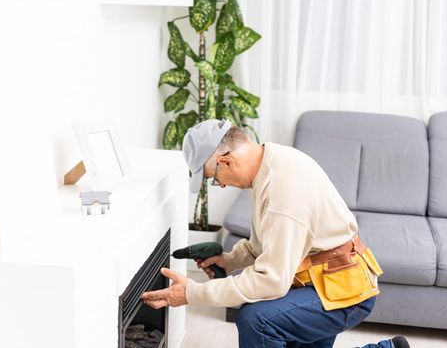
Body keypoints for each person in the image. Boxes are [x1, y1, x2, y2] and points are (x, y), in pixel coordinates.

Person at [142, 119, 410, 348]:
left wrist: (194, 293)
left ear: (226, 162)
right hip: (317, 279)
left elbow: (271, 282)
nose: (219, 185)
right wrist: (229, 260)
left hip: (342, 291)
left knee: (257, 319)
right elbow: (264, 243)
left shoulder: (283, 190)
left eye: (214, 177)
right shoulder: (269, 163)